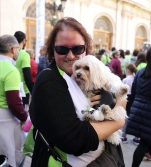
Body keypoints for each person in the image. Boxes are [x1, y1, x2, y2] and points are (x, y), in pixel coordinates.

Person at [29, 17, 125, 167]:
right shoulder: (49, 80)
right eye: (62, 49)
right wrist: (118, 120)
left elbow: (113, 88)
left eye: (77, 49)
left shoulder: (85, 75)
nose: (70, 56)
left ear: (86, 48)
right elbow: (75, 140)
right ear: (52, 49)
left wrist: (108, 97)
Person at [0, 35, 28, 167]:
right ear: (12, 49)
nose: (18, 51)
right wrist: (24, 117)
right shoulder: (11, 70)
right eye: (18, 48)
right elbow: (14, 102)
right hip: (7, 120)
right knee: (12, 157)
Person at [14, 31, 33, 108]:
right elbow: (27, 76)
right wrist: (33, 91)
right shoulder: (24, 55)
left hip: (10, 89)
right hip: (23, 91)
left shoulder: (10, 52)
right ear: (23, 40)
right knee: (24, 114)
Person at [121, 63, 137, 143]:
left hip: (126, 99)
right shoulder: (135, 78)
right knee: (135, 118)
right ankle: (137, 138)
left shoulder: (125, 80)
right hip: (134, 98)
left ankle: (124, 136)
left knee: (125, 117)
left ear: (127, 70)